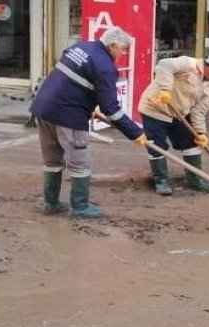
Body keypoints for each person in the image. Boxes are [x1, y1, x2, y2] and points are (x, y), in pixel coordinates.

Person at [30, 26, 147, 218]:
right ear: (112, 45)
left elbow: (74, 81)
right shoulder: (106, 67)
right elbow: (111, 108)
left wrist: (89, 105)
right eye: (122, 49)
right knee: (80, 163)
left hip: (44, 108)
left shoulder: (80, 48)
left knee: (52, 160)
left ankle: (51, 204)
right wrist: (135, 132)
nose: (123, 53)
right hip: (69, 115)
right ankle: (80, 208)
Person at [138, 50, 209, 195]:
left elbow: (198, 111)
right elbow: (164, 65)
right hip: (155, 109)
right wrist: (165, 90)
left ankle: (194, 179)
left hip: (179, 114)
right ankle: (161, 181)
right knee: (156, 145)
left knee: (192, 143)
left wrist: (201, 132)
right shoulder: (188, 64)